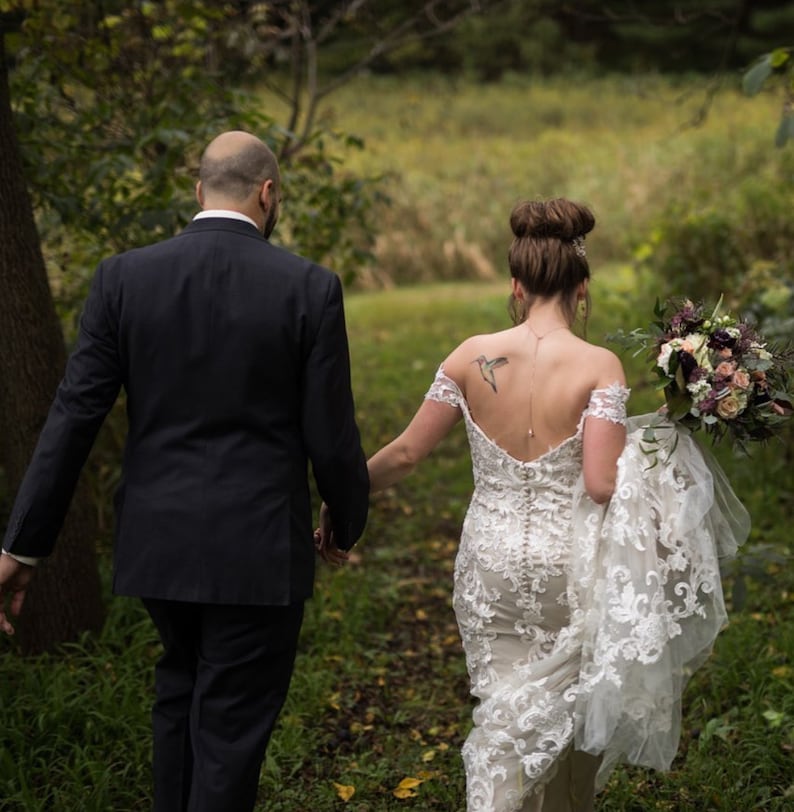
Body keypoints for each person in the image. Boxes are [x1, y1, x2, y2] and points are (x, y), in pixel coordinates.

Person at [319, 198, 749, 812]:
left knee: (501, 714)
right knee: (568, 723)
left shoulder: (469, 356)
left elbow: (407, 454)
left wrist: (340, 499)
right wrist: (662, 436)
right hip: (569, 567)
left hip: (489, 564)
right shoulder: (598, 366)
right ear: (583, 288)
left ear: (515, 285)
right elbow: (602, 484)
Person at [0, 130, 370, 812]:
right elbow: (332, 434)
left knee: (180, 696)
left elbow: (72, 419)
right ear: (268, 194)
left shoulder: (122, 279)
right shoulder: (309, 288)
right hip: (257, 552)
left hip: (159, 545)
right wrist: (345, 518)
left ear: (199, 191)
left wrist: (22, 546)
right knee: (229, 729)